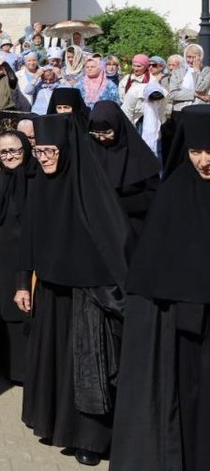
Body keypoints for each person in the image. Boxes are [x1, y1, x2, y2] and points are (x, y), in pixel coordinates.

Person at [14, 115, 130, 467]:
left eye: (50, 151)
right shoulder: (40, 186)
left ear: (67, 150)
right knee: (55, 365)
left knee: (86, 368)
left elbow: (115, 243)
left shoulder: (89, 189)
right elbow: (28, 239)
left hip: (87, 297)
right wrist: (22, 282)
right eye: (38, 151)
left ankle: (91, 440)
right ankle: (56, 427)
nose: (44, 158)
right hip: (51, 293)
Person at [110, 106, 210, 470]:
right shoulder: (174, 192)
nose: (204, 160)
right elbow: (153, 266)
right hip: (180, 329)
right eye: (196, 151)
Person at [0, 131, 35, 383]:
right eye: (4, 152)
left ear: (25, 149)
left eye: (15, 150)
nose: (10, 156)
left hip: (28, 255)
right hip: (2, 256)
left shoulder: (37, 179)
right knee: (1, 309)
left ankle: (22, 370)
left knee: (23, 310)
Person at [87, 100, 160, 242]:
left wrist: (119, 205)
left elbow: (153, 194)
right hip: (97, 226)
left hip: (132, 224)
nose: (101, 138)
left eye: (107, 133)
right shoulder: (88, 150)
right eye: (95, 133)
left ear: (118, 127)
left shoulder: (138, 154)